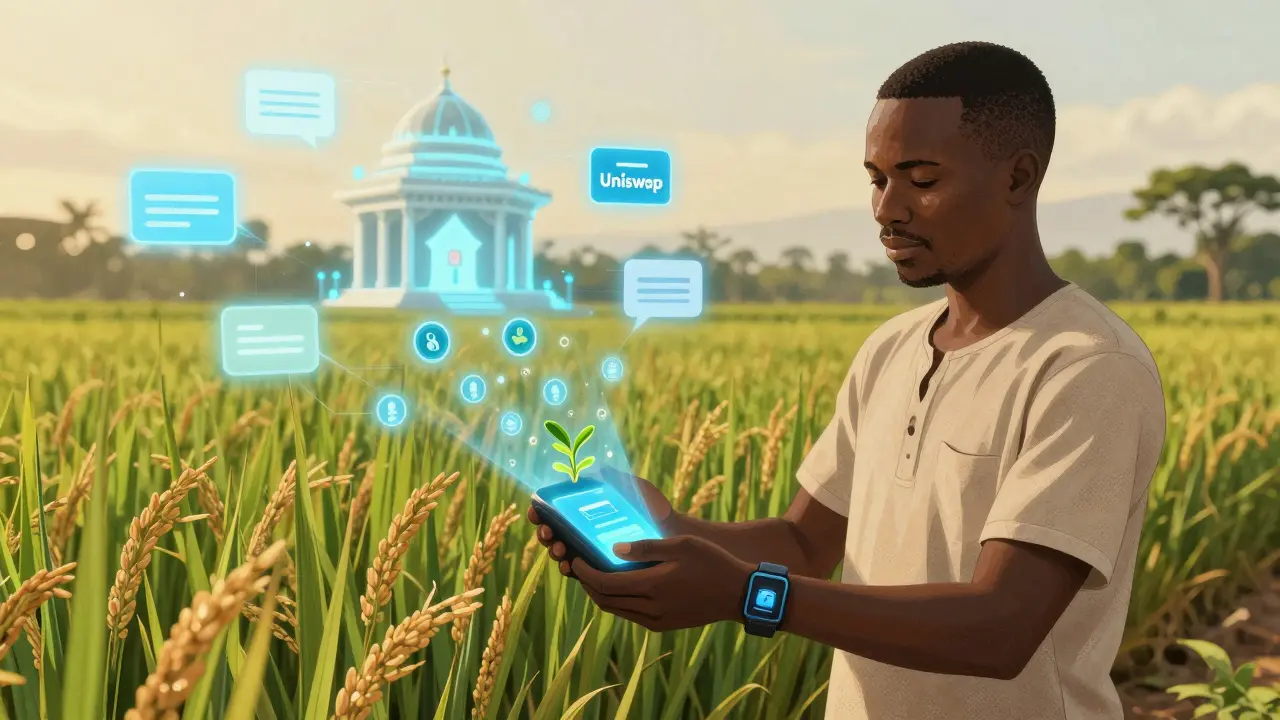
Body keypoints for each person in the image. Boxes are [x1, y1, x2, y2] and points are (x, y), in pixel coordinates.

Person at [527, 41, 1166, 719]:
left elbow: (1000, 626)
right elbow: (804, 544)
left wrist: (746, 594)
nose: (887, 209)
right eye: (877, 178)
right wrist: (672, 527)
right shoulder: (890, 351)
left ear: (1018, 177)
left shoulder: (1086, 367)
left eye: (921, 179)